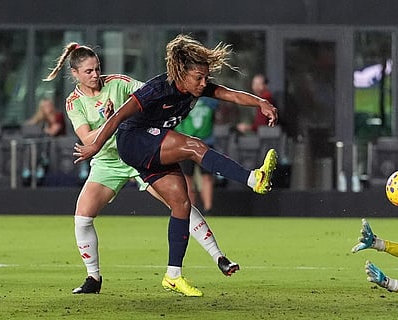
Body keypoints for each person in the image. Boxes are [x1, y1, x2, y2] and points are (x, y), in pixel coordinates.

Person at [73, 34, 279, 297]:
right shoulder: (158, 88)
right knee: (194, 146)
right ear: (182, 73)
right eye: (199, 78)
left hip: (153, 148)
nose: (204, 83)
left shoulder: (196, 85)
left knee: (181, 204)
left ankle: (173, 275)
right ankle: (253, 179)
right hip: (133, 141)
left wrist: (260, 102)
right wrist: (95, 146)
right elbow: (119, 118)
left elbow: (231, 95)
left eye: (206, 77)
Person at [44, 42, 241, 297]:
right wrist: (109, 119)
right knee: (82, 218)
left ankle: (219, 257)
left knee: (180, 203)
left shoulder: (119, 82)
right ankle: (93, 278)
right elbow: (87, 140)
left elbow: (152, 96)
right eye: (89, 71)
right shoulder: (74, 103)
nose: (95, 75)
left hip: (140, 153)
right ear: (75, 74)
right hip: (107, 163)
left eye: (97, 69)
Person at [175, 96, 219, 214]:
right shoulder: (183, 101)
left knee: (206, 176)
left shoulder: (209, 101)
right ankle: (191, 209)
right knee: (187, 177)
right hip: (186, 143)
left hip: (205, 142)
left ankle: (208, 209)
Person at [22, 97, 66, 185]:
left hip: (56, 145)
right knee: (32, 145)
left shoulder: (58, 116)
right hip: (41, 145)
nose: (47, 108)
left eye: (48, 106)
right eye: (44, 106)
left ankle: (42, 164)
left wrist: (43, 130)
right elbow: (31, 126)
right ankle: (29, 170)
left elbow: (54, 131)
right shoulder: (41, 118)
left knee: (44, 144)